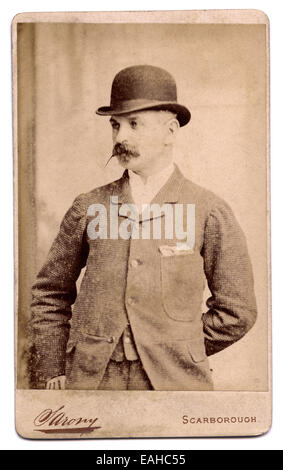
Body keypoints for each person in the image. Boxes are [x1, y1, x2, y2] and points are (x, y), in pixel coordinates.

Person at [31, 65, 257, 391]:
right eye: (115, 125)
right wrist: (54, 367)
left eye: (134, 124)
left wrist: (180, 347)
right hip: (91, 384)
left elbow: (239, 312)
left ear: (171, 131)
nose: (120, 137)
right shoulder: (88, 207)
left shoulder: (209, 211)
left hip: (176, 387)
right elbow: (49, 294)